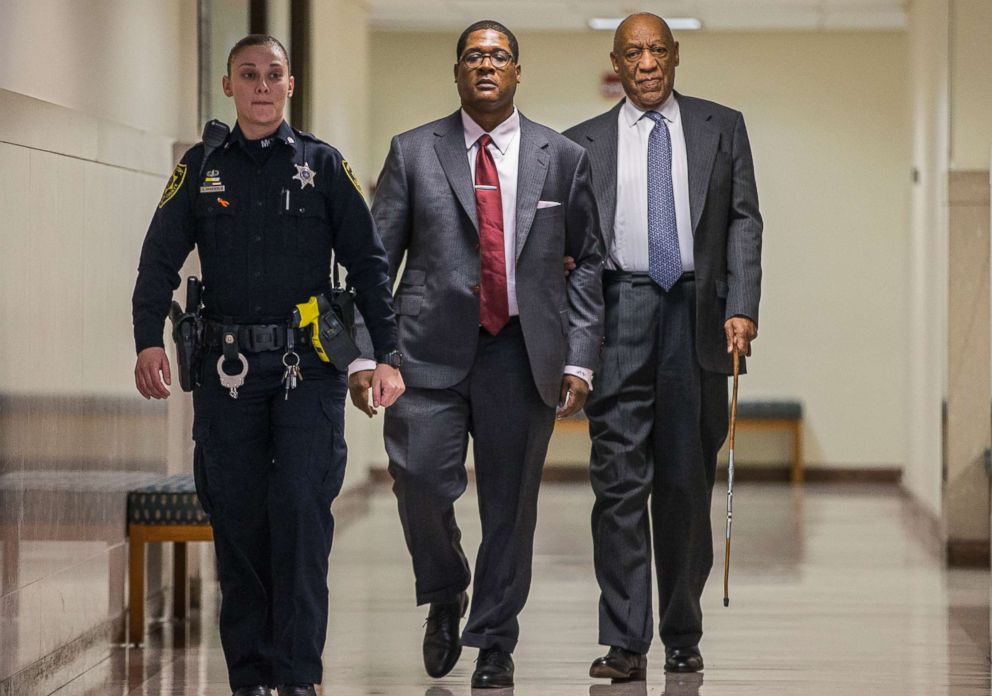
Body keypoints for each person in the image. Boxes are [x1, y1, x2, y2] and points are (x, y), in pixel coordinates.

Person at [131, 35, 404, 696]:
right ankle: (251, 679)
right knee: (241, 523)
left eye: (273, 74)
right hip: (226, 373)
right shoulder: (201, 169)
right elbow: (157, 263)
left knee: (304, 515)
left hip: (308, 367)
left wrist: (385, 356)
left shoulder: (322, 165)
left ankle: (299, 677)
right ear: (228, 85)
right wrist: (146, 339)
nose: (261, 86)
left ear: (289, 86)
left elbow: (368, 266)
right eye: (248, 75)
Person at [348, 20, 604, 689]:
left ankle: (494, 640)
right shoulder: (413, 152)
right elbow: (376, 264)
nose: (485, 65)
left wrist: (579, 357)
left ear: (518, 71)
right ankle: (444, 591)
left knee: (510, 506)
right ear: (457, 72)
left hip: (522, 354)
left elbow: (587, 264)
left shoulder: (563, 157)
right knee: (422, 484)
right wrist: (367, 354)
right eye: (473, 56)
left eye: (498, 56)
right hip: (424, 352)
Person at [564, 13, 762, 679]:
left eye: (655, 50)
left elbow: (742, 221)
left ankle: (681, 630)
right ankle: (624, 640)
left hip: (694, 316)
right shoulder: (578, 144)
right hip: (618, 311)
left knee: (683, 482)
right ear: (615, 63)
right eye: (631, 53)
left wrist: (741, 305)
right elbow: (564, 248)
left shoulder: (720, 126)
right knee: (617, 483)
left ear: (674, 55)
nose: (645, 63)